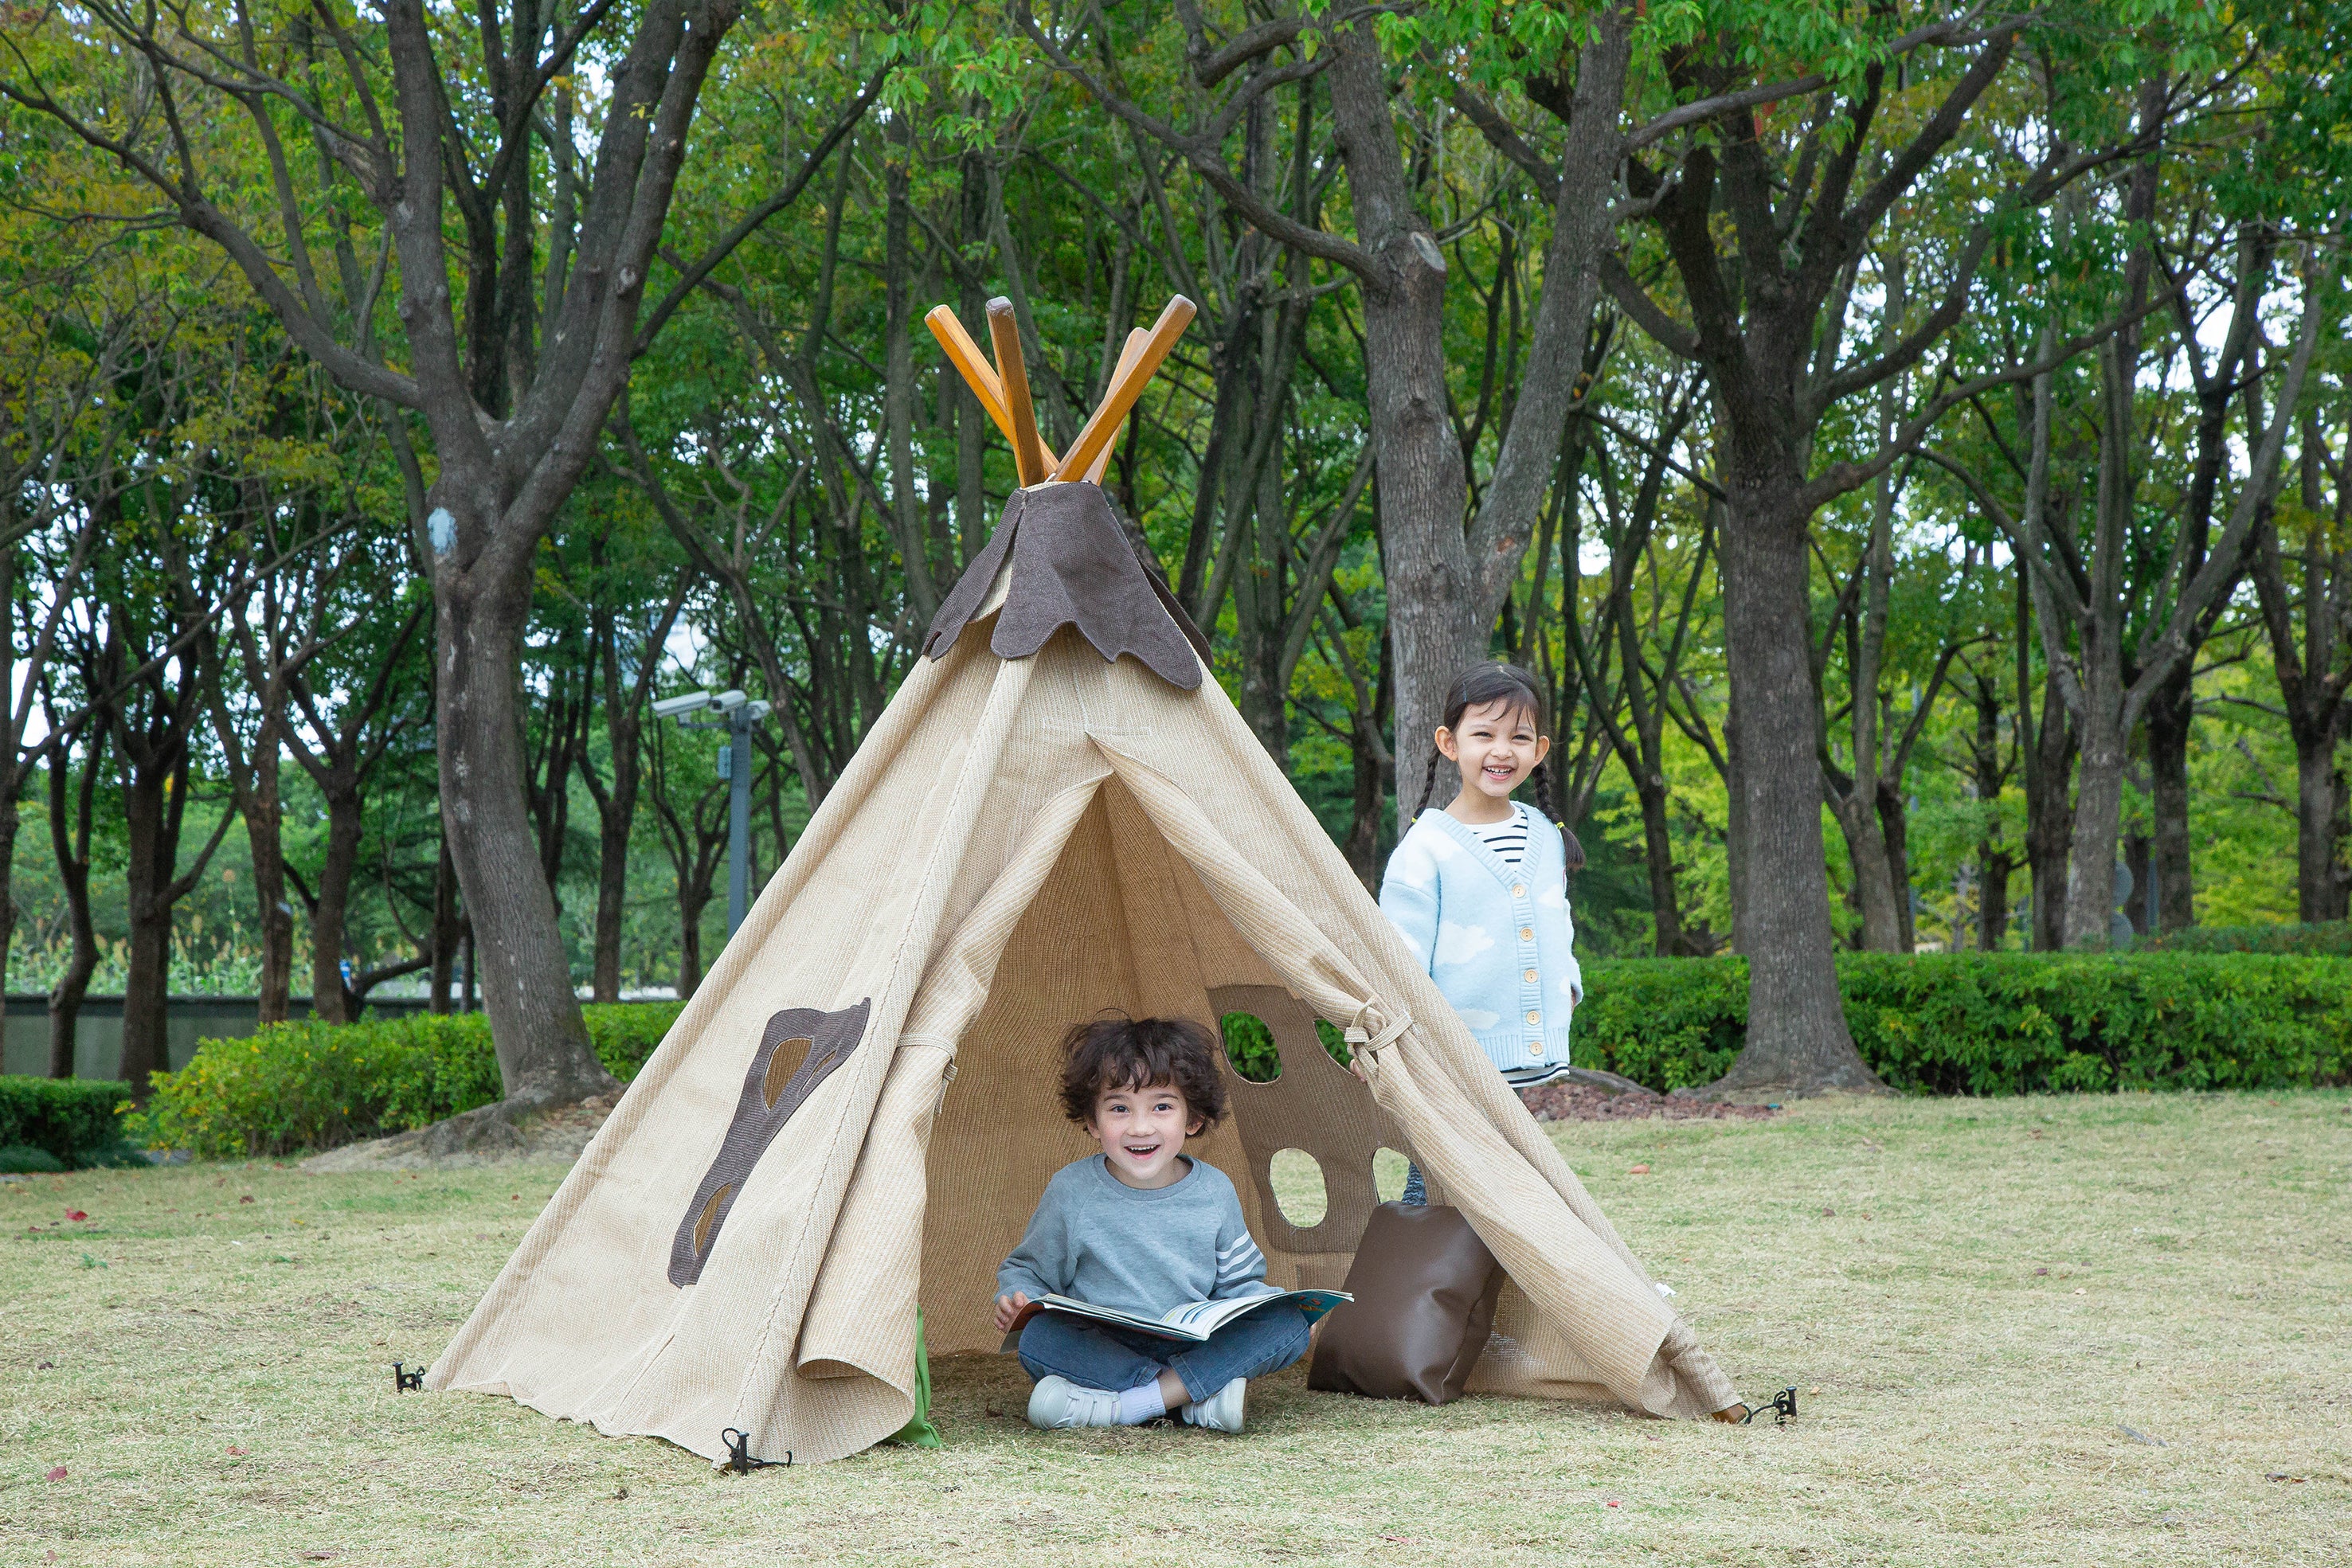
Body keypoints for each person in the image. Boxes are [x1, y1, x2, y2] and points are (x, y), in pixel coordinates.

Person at [996, 1015, 1312, 1433]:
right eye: (1119, 1109)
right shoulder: (1072, 1190)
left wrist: (1264, 1304)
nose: (1140, 1127)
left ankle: (1126, 1406)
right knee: (1039, 1339)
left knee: (1288, 1324)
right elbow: (1030, 1270)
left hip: (1192, 1346)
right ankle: (1190, 1400)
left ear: (1193, 1119)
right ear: (1092, 1122)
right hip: (1105, 1347)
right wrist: (1018, 1300)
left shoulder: (1214, 1190)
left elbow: (1239, 1284)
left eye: (1162, 1107)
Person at [1380, 662, 1584, 1205]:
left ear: (1539, 750)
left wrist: (1567, 987)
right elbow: (1398, 955)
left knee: (1509, 1183)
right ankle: (1416, 1260)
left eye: (1519, 737)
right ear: (1449, 743)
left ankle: (1496, 1261)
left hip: (1523, 1050)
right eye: (1483, 734)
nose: (1502, 750)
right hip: (1451, 1054)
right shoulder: (1425, 848)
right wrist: (1385, 1039)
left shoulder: (1545, 835)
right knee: (1437, 1181)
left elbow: (1556, 918)